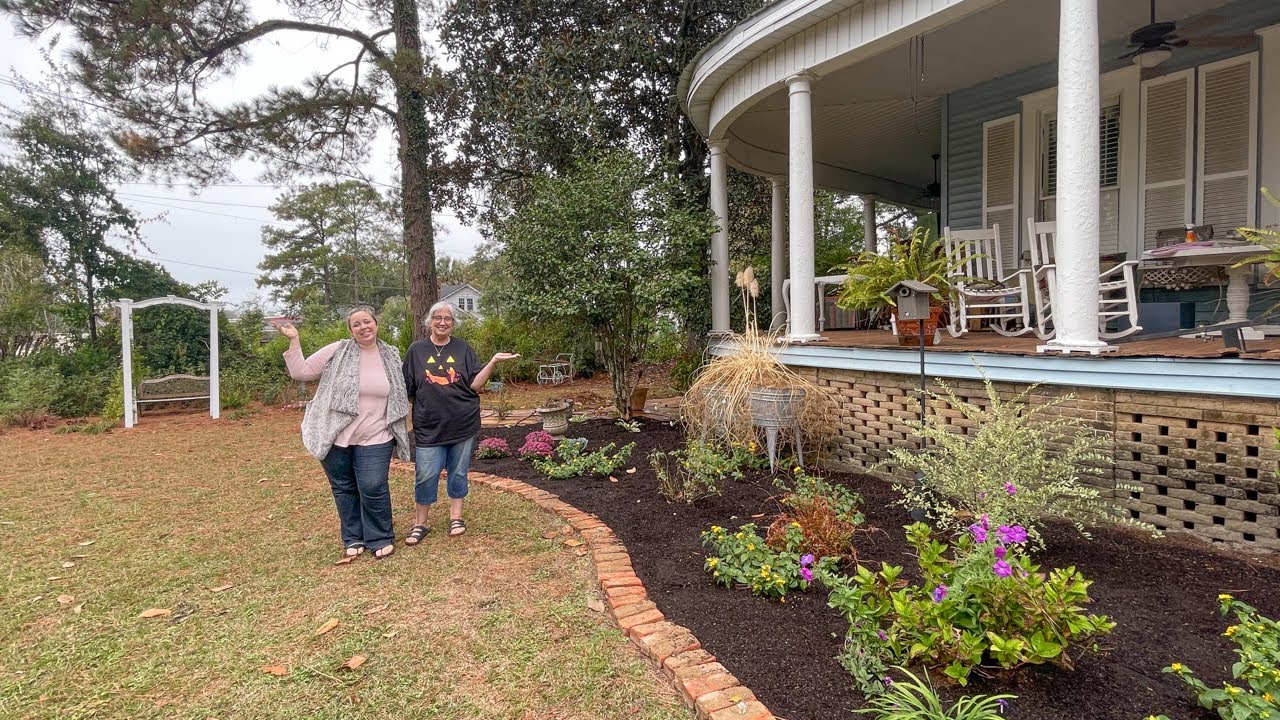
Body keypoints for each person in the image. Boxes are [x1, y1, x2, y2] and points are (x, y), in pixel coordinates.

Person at [273, 306, 411, 561]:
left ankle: (380, 536)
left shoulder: (391, 355)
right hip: (335, 433)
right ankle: (353, 536)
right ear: (350, 330)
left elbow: (403, 388)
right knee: (344, 487)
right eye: (356, 324)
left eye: (366, 321)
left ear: (376, 323)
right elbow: (300, 372)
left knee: (373, 485)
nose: (363, 327)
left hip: (376, 434)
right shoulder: (338, 350)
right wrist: (294, 340)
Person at [402, 302, 519, 543]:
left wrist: (494, 361)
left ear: (453, 324)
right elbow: (408, 388)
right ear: (430, 321)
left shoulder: (463, 348)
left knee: (457, 472)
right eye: (438, 317)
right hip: (428, 424)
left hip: (462, 421)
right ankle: (420, 523)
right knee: (426, 473)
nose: (443, 322)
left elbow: (475, 384)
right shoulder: (417, 350)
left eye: (448, 318)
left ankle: (456, 517)